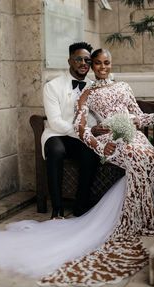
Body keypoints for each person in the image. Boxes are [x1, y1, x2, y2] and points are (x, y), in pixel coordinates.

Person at [0, 49, 154, 287]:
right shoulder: (83, 91)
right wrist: (99, 145)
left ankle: (136, 214)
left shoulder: (124, 87)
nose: (101, 66)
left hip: (130, 135)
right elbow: (81, 127)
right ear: (88, 65)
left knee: (153, 158)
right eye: (96, 63)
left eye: (104, 62)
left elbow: (138, 117)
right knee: (132, 159)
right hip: (87, 138)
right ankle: (126, 220)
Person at [41, 42, 107, 219]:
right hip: (56, 134)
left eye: (87, 60)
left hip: (79, 136)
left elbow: (94, 117)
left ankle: (81, 205)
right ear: (69, 60)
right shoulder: (52, 86)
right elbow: (54, 122)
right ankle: (57, 209)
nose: (84, 63)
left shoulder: (93, 86)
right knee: (55, 151)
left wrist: (95, 130)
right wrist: (83, 133)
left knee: (91, 153)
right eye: (79, 59)